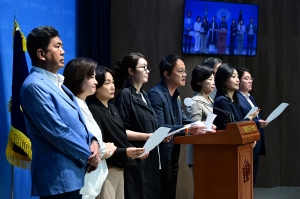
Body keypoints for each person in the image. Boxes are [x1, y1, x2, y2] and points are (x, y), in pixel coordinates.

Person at [20, 26, 100, 199]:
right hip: (58, 179)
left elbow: (77, 122)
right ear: (41, 54)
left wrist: (93, 140)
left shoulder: (59, 83)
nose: (63, 51)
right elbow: (57, 131)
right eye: (57, 46)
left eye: (62, 46)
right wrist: (88, 154)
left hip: (72, 175)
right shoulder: (34, 85)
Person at [148, 54, 206, 199]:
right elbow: (160, 127)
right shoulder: (156, 94)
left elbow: (184, 120)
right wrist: (188, 128)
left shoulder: (176, 95)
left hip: (174, 151)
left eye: (185, 71)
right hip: (161, 153)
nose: (184, 75)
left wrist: (199, 125)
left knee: (171, 190)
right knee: (163, 191)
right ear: (166, 74)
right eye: (180, 71)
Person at [87, 66, 147, 199]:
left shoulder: (112, 107)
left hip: (121, 165)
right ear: (96, 85)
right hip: (106, 167)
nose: (112, 86)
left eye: (113, 82)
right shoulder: (93, 109)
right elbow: (99, 143)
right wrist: (127, 151)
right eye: (107, 83)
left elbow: (120, 134)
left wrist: (135, 150)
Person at [63, 57, 118, 199]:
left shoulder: (83, 104)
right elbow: (88, 144)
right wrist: (108, 149)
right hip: (84, 182)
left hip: (91, 183)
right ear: (78, 78)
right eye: (92, 77)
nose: (95, 81)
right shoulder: (74, 107)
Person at [113, 53, 161, 199]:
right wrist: (148, 136)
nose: (147, 71)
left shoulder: (144, 95)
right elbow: (120, 131)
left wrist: (160, 136)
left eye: (148, 68)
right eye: (143, 67)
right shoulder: (125, 95)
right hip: (136, 157)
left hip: (150, 156)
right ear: (131, 71)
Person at [236, 67, 268, 183]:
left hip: (256, 140)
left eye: (251, 79)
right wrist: (257, 123)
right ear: (238, 81)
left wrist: (259, 122)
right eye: (246, 78)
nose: (250, 81)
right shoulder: (236, 98)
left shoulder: (251, 98)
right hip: (247, 141)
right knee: (245, 179)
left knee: (252, 179)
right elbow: (240, 120)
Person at [186, 65, 215, 173]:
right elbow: (193, 128)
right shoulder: (196, 101)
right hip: (199, 152)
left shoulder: (210, 99)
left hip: (211, 149)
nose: (213, 82)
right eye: (210, 79)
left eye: (214, 79)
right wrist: (205, 125)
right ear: (199, 82)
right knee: (202, 189)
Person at [213, 63, 259, 130]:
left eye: (237, 77)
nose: (237, 80)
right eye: (233, 77)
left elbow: (239, 123)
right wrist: (250, 117)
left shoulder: (234, 100)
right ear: (224, 81)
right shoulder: (222, 101)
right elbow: (234, 127)